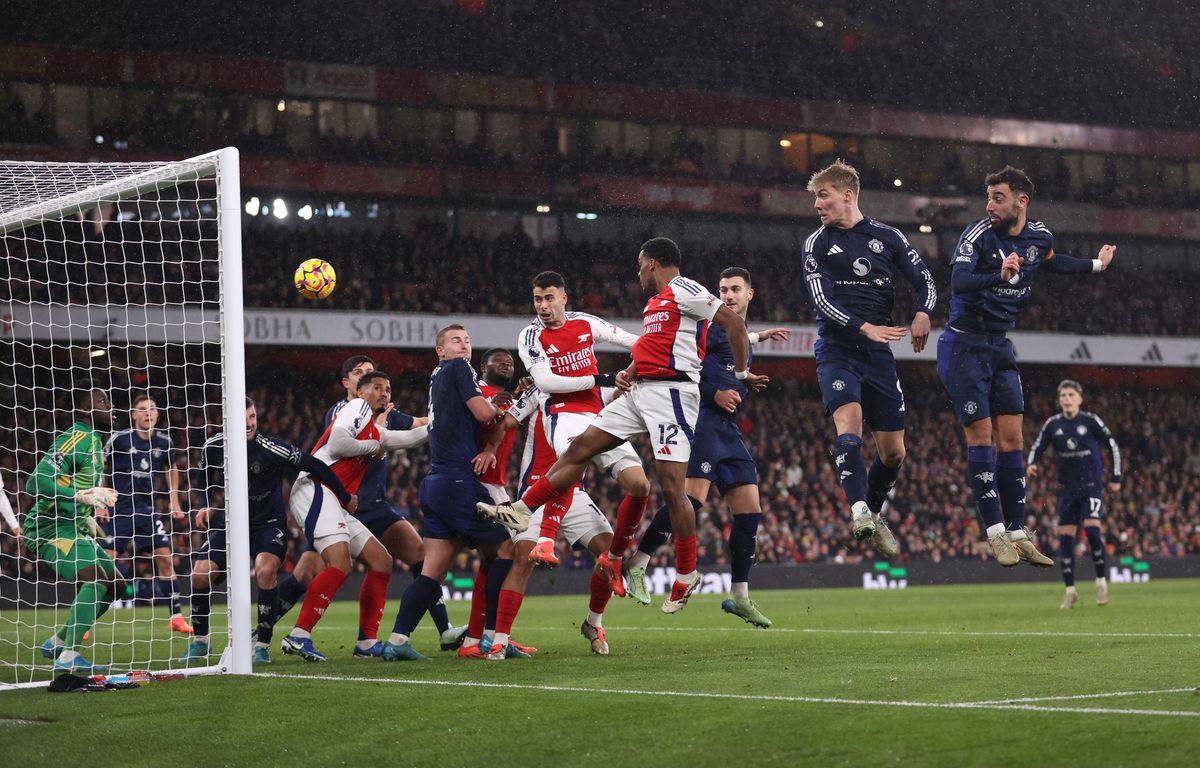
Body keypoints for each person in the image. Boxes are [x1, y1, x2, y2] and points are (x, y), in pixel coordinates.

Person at [480, 237, 762, 614]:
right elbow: (651, 346)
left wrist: (740, 373)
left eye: (640, 265)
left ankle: (686, 573)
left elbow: (732, 326)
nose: (637, 272)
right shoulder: (654, 304)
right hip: (640, 389)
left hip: (672, 395)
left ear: (652, 264)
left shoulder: (686, 289)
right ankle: (522, 508)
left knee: (674, 488)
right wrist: (628, 371)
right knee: (581, 447)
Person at [937, 165, 1115, 566]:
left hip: (1000, 347)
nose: (990, 205)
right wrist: (996, 273)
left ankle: (1018, 530)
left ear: (1022, 201)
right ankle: (996, 532)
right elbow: (960, 282)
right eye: (987, 197)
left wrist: (1097, 265)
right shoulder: (978, 234)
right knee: (981, 437)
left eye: (998, 197)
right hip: (964, 345)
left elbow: (1053, 262)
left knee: (1013, 439)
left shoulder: (1039, 236)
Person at [624, 267, 788, 627]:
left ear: (750, 294)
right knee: (691, 499)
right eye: (723, 289)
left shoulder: (738, 331)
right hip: (701, 421)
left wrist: (758, 346)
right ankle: (639, 561)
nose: (728, 295)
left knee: (749, 511)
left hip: (727, 429)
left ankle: (740, 596)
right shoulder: (708, 325)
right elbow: (682, 367)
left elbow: (738, 338)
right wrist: (713, 391)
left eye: (734, 290)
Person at [801, 160, 936, 554]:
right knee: (850, 428)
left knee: (894, 453)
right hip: (837, 350)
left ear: (847, 194)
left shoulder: (887, 237)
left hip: (877, 356)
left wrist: (924, 311)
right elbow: (821, 300)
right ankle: (859, 509)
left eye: (822, 195)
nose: (817, 205)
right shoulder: (816, 243)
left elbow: (924, 278)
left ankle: (873, 514)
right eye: (815, 197)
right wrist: (864, 327)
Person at [180, 398, 358, 664]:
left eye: (252, 417)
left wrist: (344, 496)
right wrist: (204, 505)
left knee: (265, 571)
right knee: (200, 575)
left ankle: (261, 644)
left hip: (268, 524)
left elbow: (315, 465)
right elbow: (204, 476)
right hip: (231, 523)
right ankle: (200, 642)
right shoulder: (214, 446)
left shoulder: (271, 448)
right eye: (243, 419)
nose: (249, 423)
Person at [381, 324, 519, 661]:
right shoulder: (459, 368)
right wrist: (508, 409)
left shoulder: (437, 377)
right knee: (509, 543)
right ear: (440, 350)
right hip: (460, 482)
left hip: (436, 484)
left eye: (469, 340)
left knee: (433, 571)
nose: (465, 345)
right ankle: (490, 638)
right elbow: (485, 414)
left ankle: (397, 640)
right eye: (456, 340)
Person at [280, 371, 428, 661]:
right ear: (361, 393)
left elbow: (409, 438)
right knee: (339, 562)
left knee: (381, 561)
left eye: (387, 389)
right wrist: (371, 447)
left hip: (334, 498)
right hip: (315, 488)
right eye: (376, 387)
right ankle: (299, 635)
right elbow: (337, 444)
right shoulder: (355, 408)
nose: (384, 393)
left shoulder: (375, 429)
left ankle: (366, 642)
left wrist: (441, 422)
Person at [515, 270, 649, 569]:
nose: (543, 306)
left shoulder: (585, 322)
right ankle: (545, 539)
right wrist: (601, 379)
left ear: (564, 298)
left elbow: (633, 342)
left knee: (639, 484)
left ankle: (621, 558)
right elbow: (547, 382)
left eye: (549, 298)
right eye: (538, 300)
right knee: (575, 456)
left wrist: (653, 350)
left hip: (601, 414)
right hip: (563, 414)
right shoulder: (530, 335)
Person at [475, 381, 619, 654]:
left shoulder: (594, 392)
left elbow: (622, 393)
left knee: (611, 554)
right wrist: (491, 448)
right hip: (537, 490)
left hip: (575, 492)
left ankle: (593, 622)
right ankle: (499, 641)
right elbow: (506, 422)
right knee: (523, 561)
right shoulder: (538, 391)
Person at [25, 384, 125, 674]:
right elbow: (35, 482)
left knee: (116, 585)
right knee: (93, 577)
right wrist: (79, 498)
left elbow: (75, 484)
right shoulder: (75, 437)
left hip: (72, 526)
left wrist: (86, 514)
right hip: (47, 529)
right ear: (85, 409)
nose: (110, 405)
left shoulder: (95, 442)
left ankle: (58, 641)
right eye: (102, 400)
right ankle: (69, 655)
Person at [1027, 380, 1122, 608]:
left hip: (1091, 486)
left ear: (1079, 399)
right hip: (1067, 490)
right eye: (1063, 396)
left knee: (1091, 529)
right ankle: (1070, 590)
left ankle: (1100, 583)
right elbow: (1037, 446)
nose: (1066, 399)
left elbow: (1112, 445)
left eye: (1071, 395)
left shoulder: (1090, 421)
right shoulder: (1053, 424)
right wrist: (1032, 463)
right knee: (1066, 538)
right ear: (1059, 401)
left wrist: (1116, 477)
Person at [101, 393, 192, 632]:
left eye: (152, 408)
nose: (148, 412)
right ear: (133, 415)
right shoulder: (119, 439)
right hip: (118, 509)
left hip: (146, 509)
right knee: (103, 563)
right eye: (142, 409)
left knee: (164, 557)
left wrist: (174, 499)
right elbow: (103, 467)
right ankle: (85, 620)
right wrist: (99, 501)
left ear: (157, 414)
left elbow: (172, 468)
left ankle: (176, 617)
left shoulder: (164, 442)